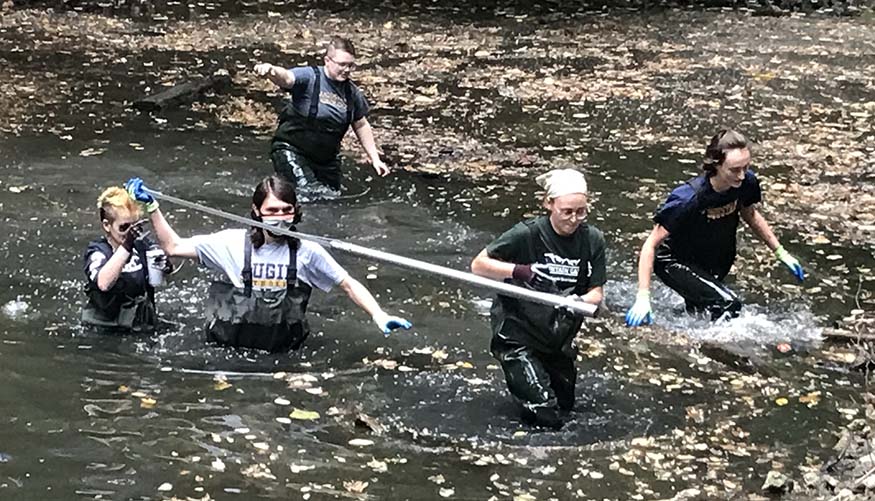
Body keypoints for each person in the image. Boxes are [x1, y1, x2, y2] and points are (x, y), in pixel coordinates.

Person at [124, 175, 411, 353]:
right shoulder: (231, 243)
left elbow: (347, 284)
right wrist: (153, 208)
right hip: (231, 352)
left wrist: (377, 313)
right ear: (257, 213)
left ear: (295, 213)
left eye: (286, 211)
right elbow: (173, 246)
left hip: (283, 353)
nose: (279, 218)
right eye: (271, 211)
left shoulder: (308, 252)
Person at [625, 129, 805, 327]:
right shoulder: (687, 199)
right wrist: (643, 296)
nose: (742, 175)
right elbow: (651, 244)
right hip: (674, 261)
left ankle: (688, 343)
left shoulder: (746, 183)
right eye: (735, 169)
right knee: (729, 304)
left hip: (714, 258)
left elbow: (750, 214)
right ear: (716, 165)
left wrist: (780, 252)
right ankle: (718, 349)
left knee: (701, 311)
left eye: (746, 167)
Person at [470, 169, 606, 429]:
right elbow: (478, 265)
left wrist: (578, 302)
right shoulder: (527, 234)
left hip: (558, 335)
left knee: (566, 408)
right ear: (548, 203)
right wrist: (521, 271)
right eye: (567, 211)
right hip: (518, 334)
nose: (574, 219)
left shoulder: (592, 240)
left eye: (581, 212)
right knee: (545, 411)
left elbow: (596, 293)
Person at [254, 36, 390, 195]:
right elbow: (286, 78)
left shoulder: (352, 93)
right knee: (310, 193)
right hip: (291, 149)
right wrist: (271, 70)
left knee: (332, 199)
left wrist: (374, 158)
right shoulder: (309, 77)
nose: (346, 70)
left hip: (327, 160)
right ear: (327, 60)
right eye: (342, 64)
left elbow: (361, 124)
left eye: (350, 65)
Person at [82, 186, 168, 333]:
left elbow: (172, 249)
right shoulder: (98, 251)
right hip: (107, 330)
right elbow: (103, 283)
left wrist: (166, 266)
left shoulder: (143, 246)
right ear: (107, 225)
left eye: (135, 226)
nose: (130, 232)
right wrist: (127, 244)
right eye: (124, 227)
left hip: (140, 324)